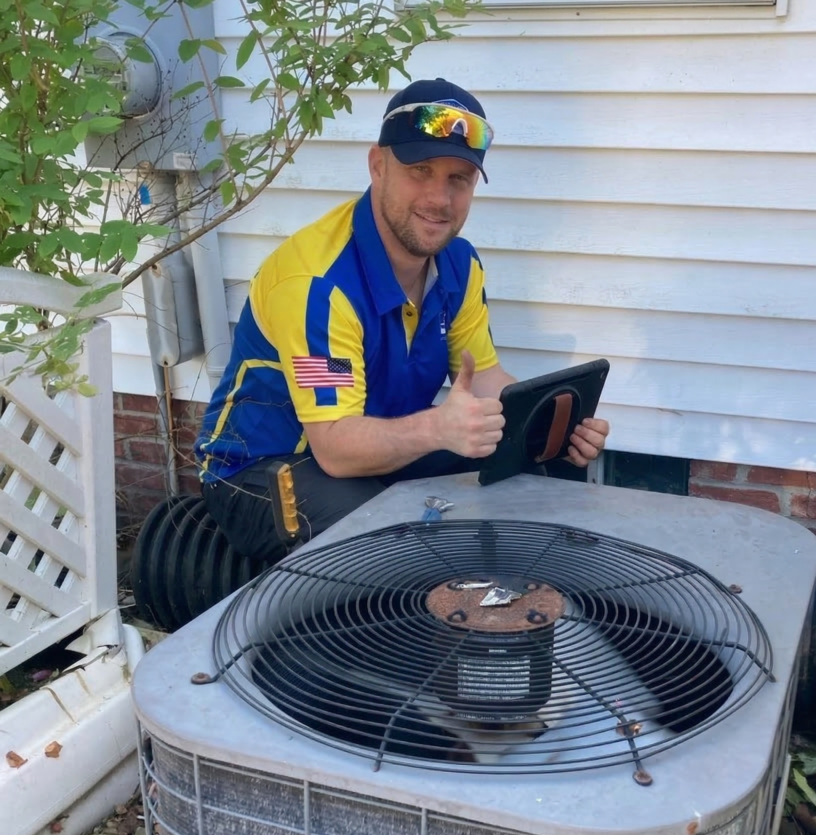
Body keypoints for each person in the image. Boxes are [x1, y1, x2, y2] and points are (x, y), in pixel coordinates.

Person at [195, 78, 610, 561]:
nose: (440, 199)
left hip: (382, 444)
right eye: (421, 170)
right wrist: (439, 429)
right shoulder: (317, 284)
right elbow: (334, 447)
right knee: (397, 552)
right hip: (264, 468)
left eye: (459, 179)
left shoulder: (459, 264)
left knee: (529, 469)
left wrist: (549, 426)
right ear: (378, 166)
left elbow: (484, 378)